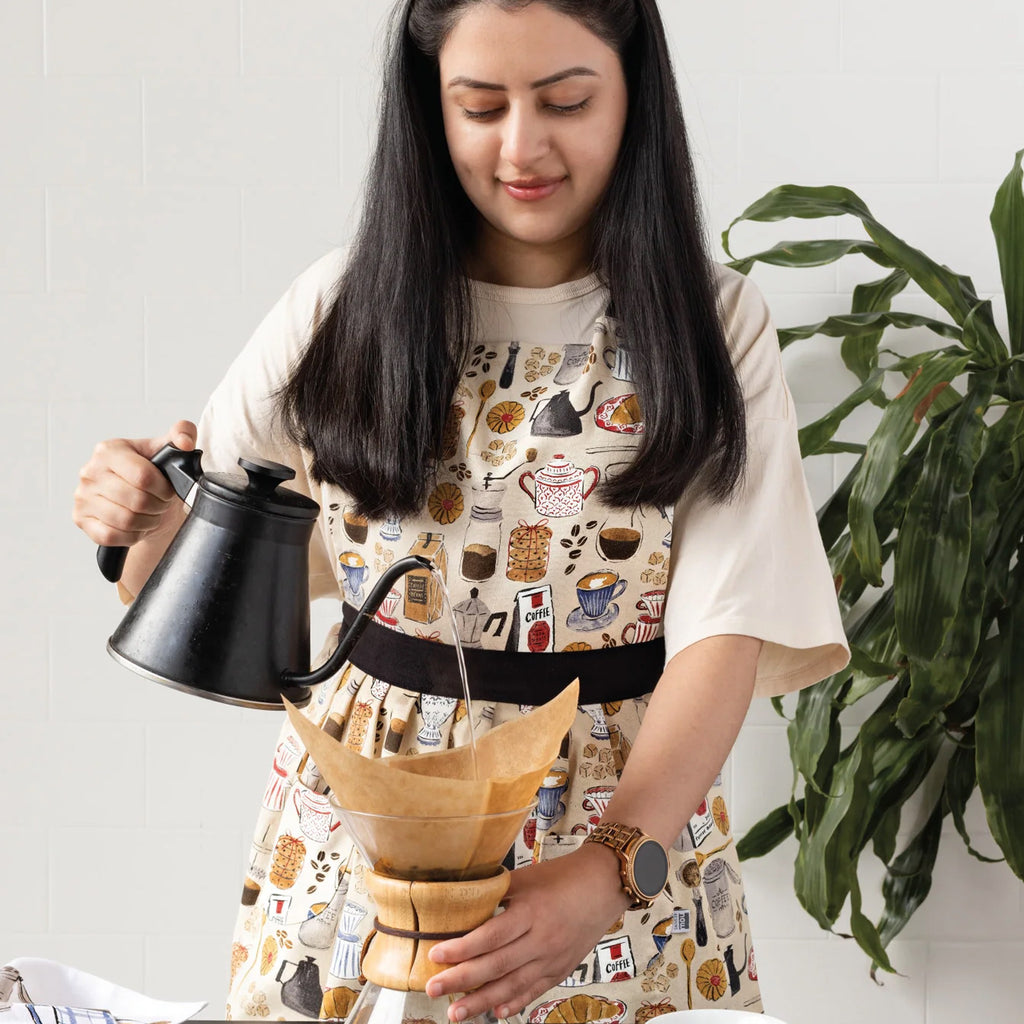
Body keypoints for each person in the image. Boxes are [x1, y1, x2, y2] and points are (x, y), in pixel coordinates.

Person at [72, 0, 850, 1020]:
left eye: (565, 101)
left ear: (632, 99)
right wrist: (138, 519)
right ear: (427, 109)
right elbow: (190, 588)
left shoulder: (710, 325)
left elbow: (725, 630)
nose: (521, 146)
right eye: (479, 107)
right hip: (361, 851)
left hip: (613, 833)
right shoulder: (339, 308)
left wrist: (604, 874)